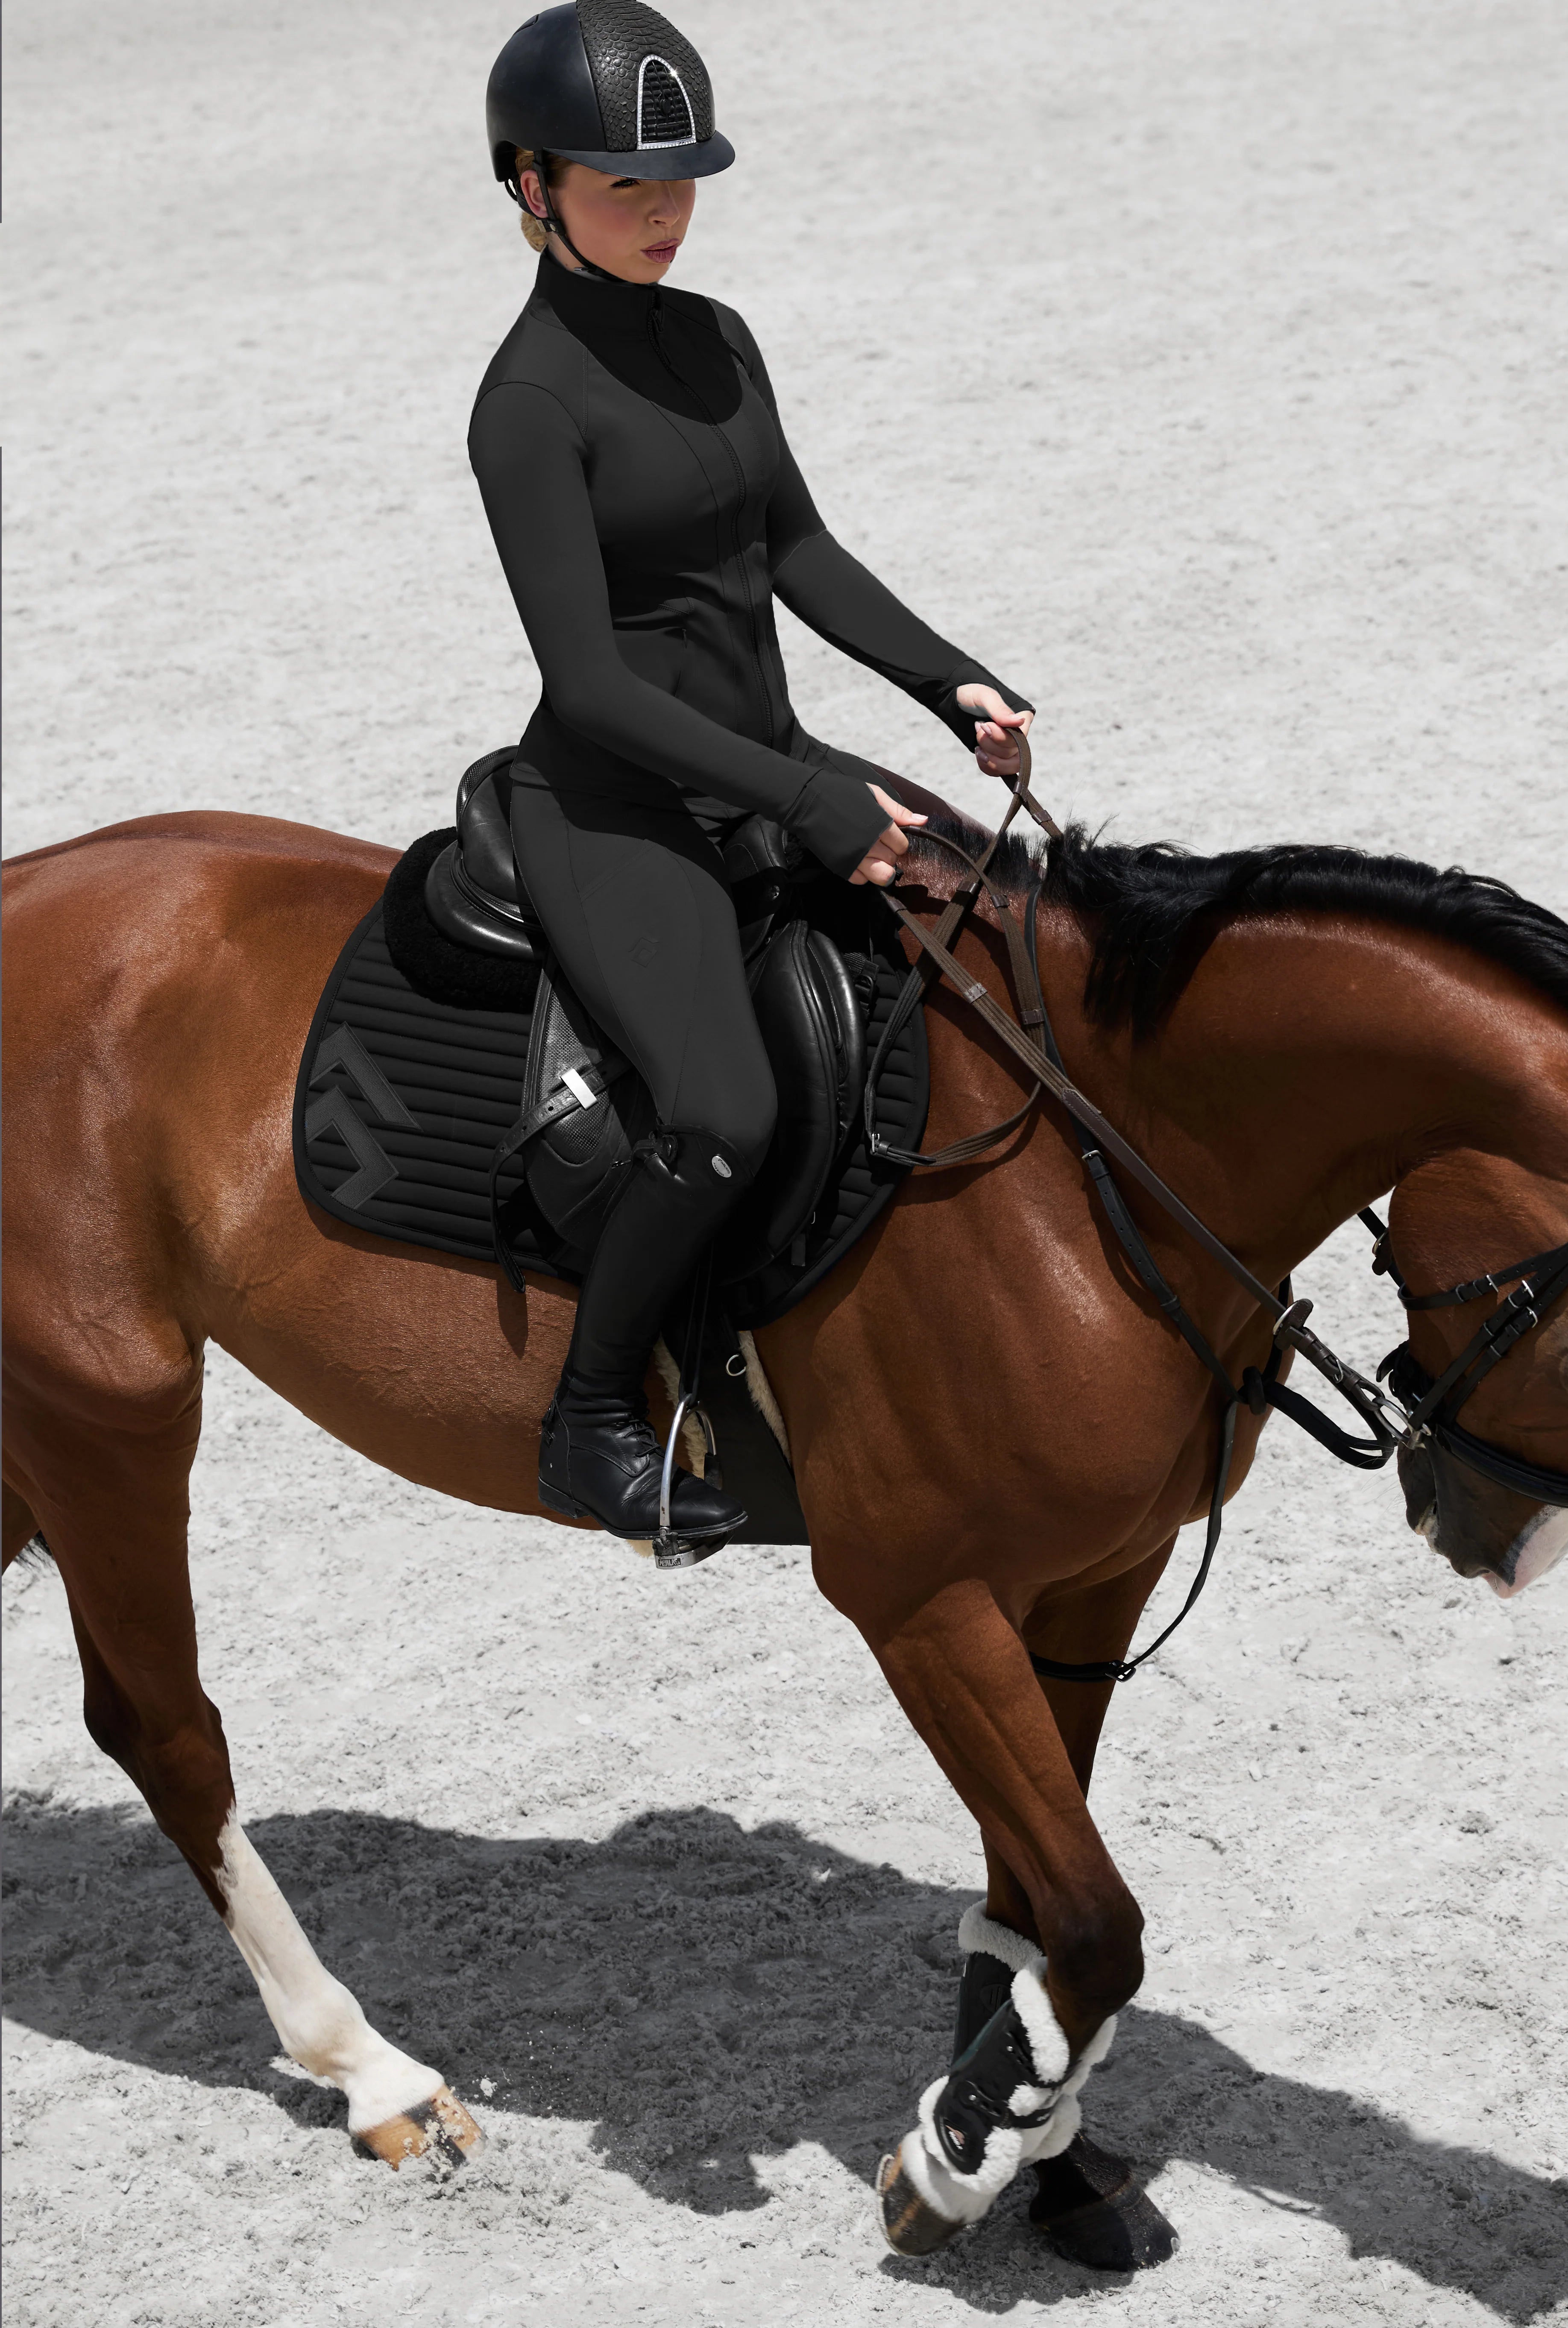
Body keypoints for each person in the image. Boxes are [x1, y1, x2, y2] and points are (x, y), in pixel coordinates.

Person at [472, 0, 1034, 1557]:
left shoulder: (717, 335)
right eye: (625, 186)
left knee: (1000, 924)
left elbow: (798, 547)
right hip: (617, 802)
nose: (665, 212)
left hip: (762, 761)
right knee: (723, 1107)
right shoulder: (526, 408)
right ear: (531, 186)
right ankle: (593, 1419)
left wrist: (949, 681)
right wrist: (809, 800)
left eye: (682, 182)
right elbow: (592, 684)